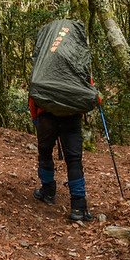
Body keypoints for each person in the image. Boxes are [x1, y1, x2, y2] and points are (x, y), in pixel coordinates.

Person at [29, 19, 96, 222]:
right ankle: (78, 206)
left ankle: (48, 192)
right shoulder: (77, 63)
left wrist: (35, 117)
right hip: (71, 118)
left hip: (45, 115)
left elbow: (33, 94)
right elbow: (88, 90)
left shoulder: (43, 63)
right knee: (74, 159)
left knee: (45, 152)